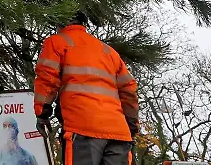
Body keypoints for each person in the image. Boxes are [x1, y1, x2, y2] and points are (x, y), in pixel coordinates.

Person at [33, 11, 139, 165]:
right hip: (119, 133)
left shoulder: (56, 42)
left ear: (59, 23)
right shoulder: (109, 51)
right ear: (83, 24)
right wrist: (131, 127)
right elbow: (129, 91)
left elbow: (47, 79)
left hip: (82, 128)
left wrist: (42, 114)